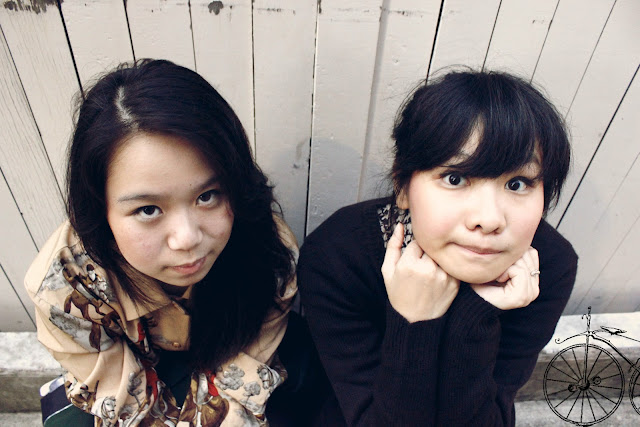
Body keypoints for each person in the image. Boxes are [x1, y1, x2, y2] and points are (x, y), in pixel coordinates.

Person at [25, 59, 300, 426]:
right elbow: (124, 402)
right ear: (100, 210)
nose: (187, 238)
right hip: (128, 365)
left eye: (207, 196)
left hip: (223, 357)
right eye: (148, 209)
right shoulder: (65, 285)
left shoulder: (269, 254)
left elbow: (238, 390)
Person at [297, 70, 577, 426]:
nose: (489, 219)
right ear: (403, 186)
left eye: (517, 183)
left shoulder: (548, 266)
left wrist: (473, 318)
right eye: (455, 178)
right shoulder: (337, 256)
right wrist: (413, 322)